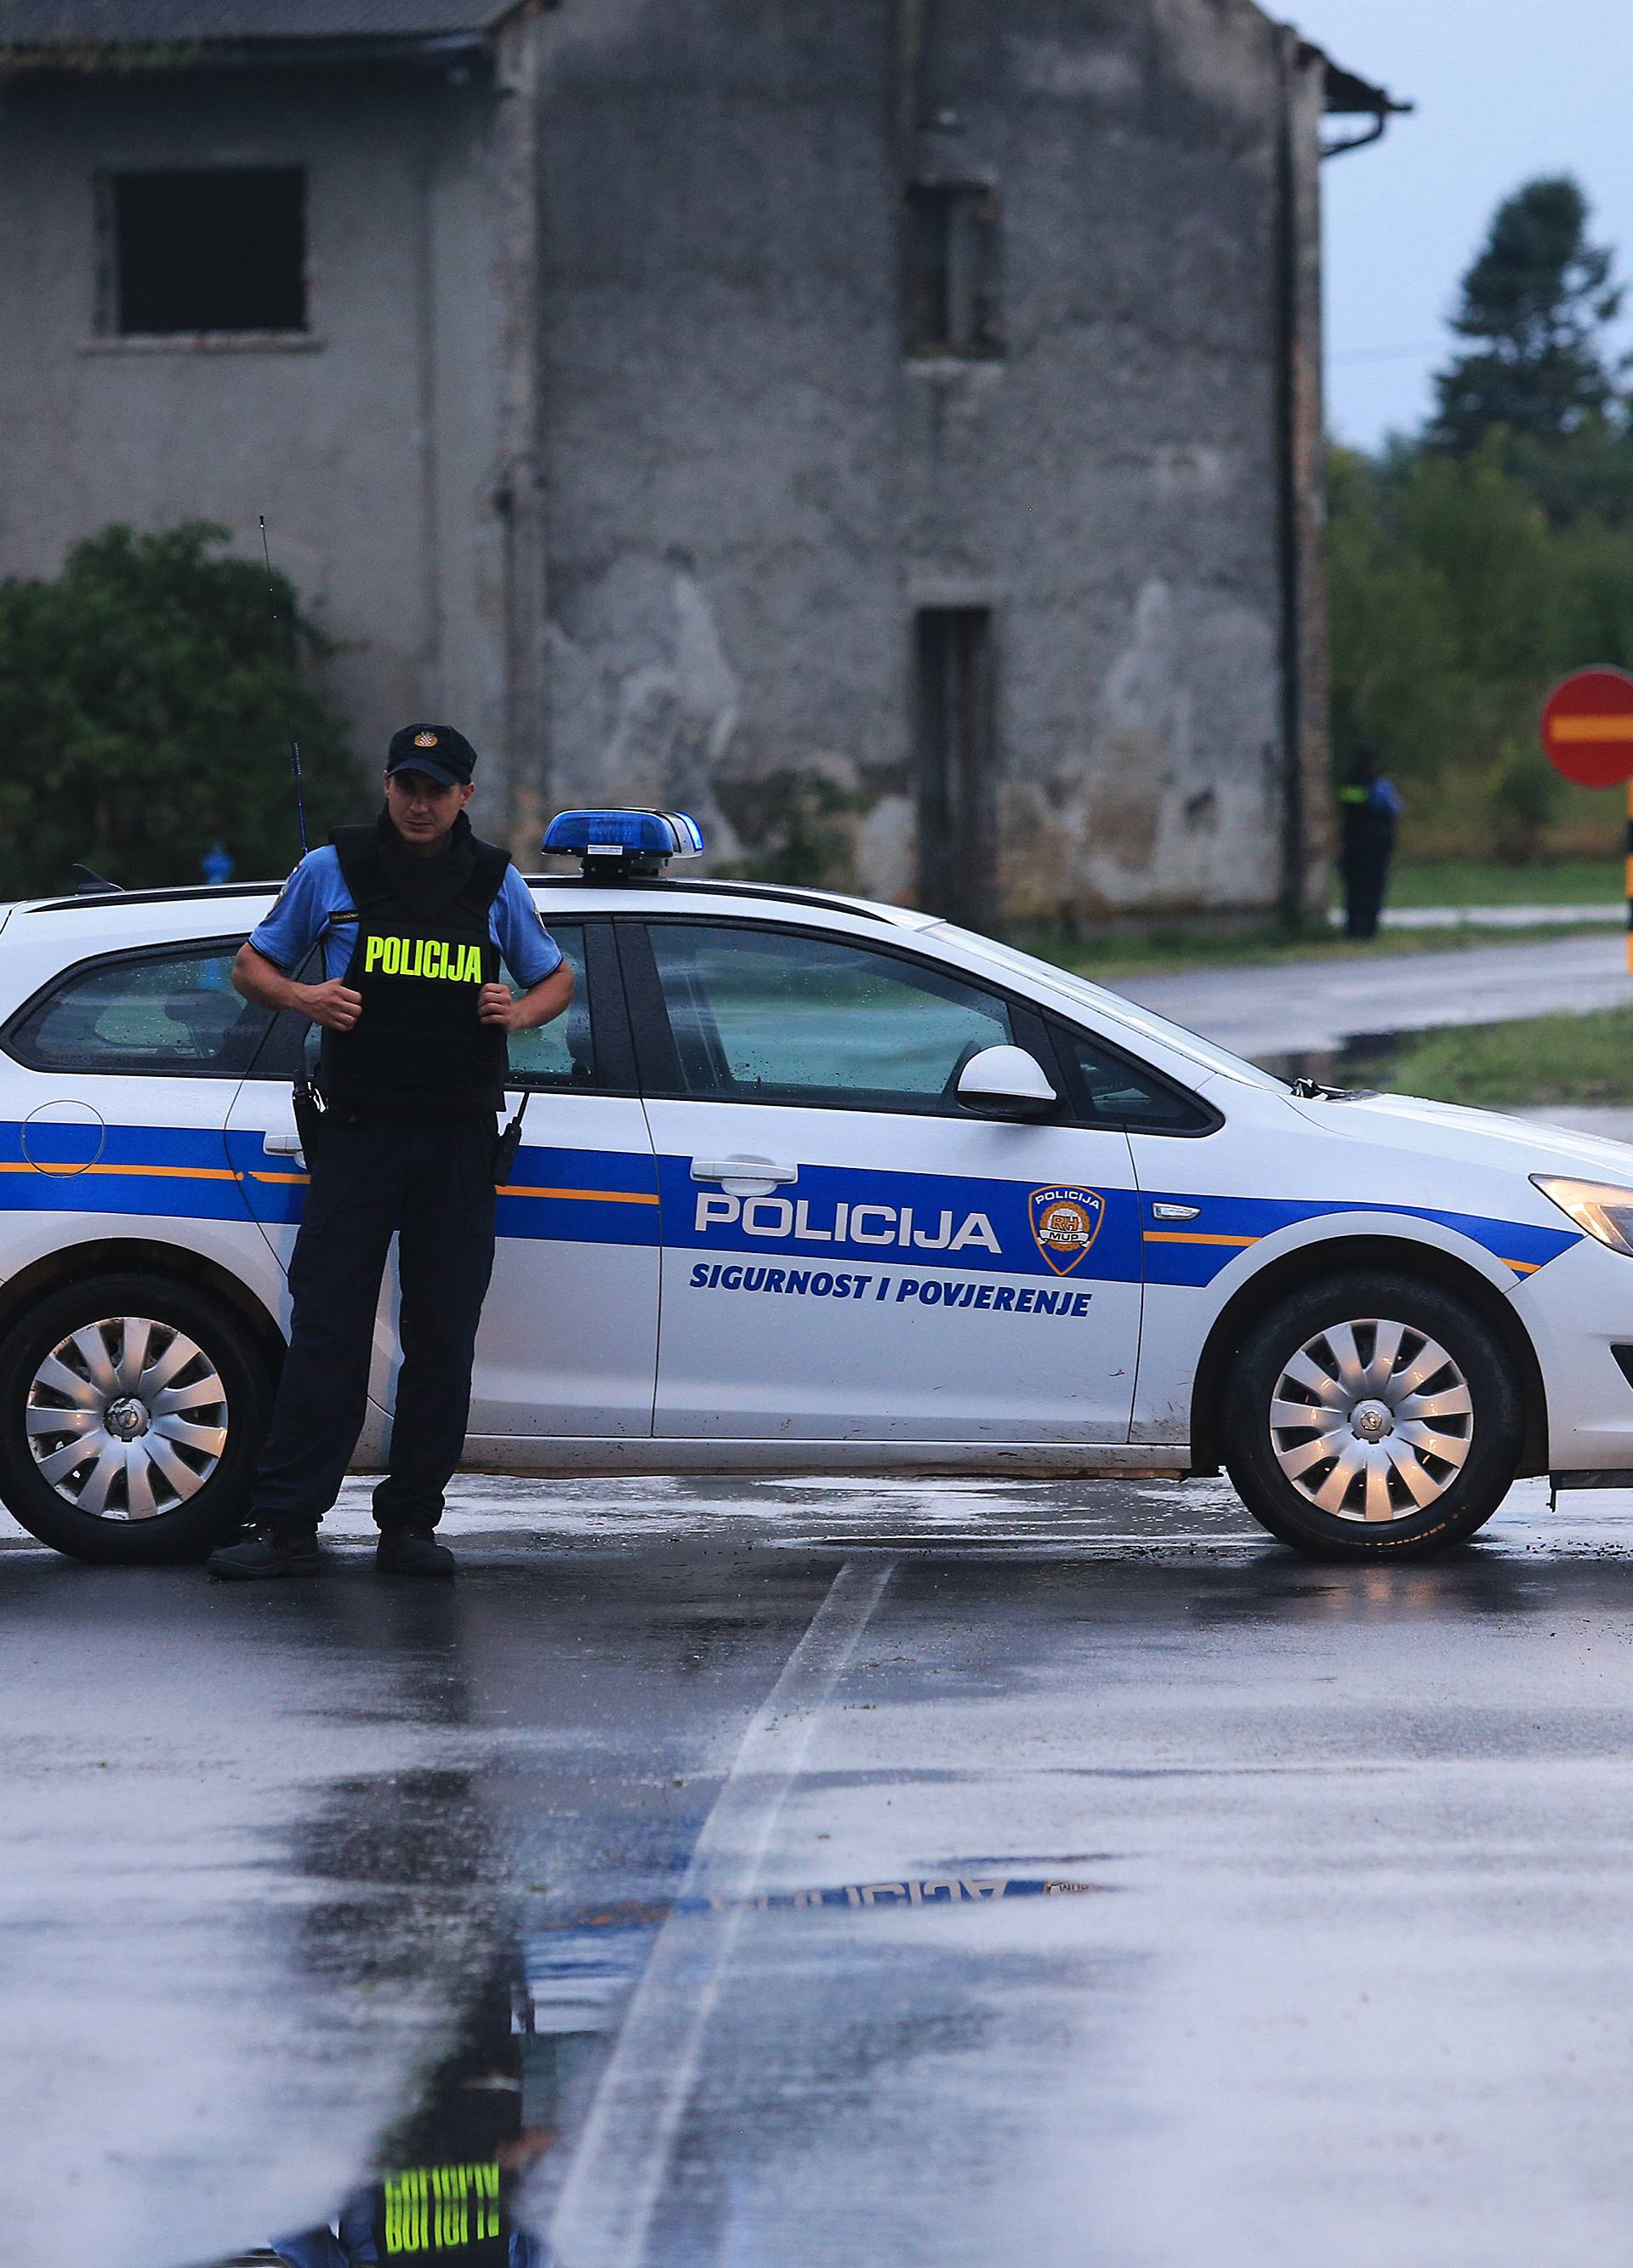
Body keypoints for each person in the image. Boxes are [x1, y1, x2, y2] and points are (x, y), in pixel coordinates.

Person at [207, 725, 572, 1581]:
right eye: (407, 784)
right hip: (360, 1133)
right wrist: (303, 995)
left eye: (437, 788)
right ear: (386, 783)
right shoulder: (331, 870)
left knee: (442, 1336)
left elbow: (554, 976)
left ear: (464, 797)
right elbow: (250, 966)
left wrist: (518, 1011)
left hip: (457, 1141)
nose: (419, 801)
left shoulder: (493, 879)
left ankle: (411, 1521)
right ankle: (287, 1521)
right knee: (328, 1328)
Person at [1337, 745, 1403, 942]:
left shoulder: (1349, 783)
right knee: (1372, 889)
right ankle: (1368, 931)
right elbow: (1394, 807)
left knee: (1354, 890)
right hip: (1374, 845)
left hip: (1352, 844)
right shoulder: (1379, 785)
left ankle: (1353, 929)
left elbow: (1349, 807)